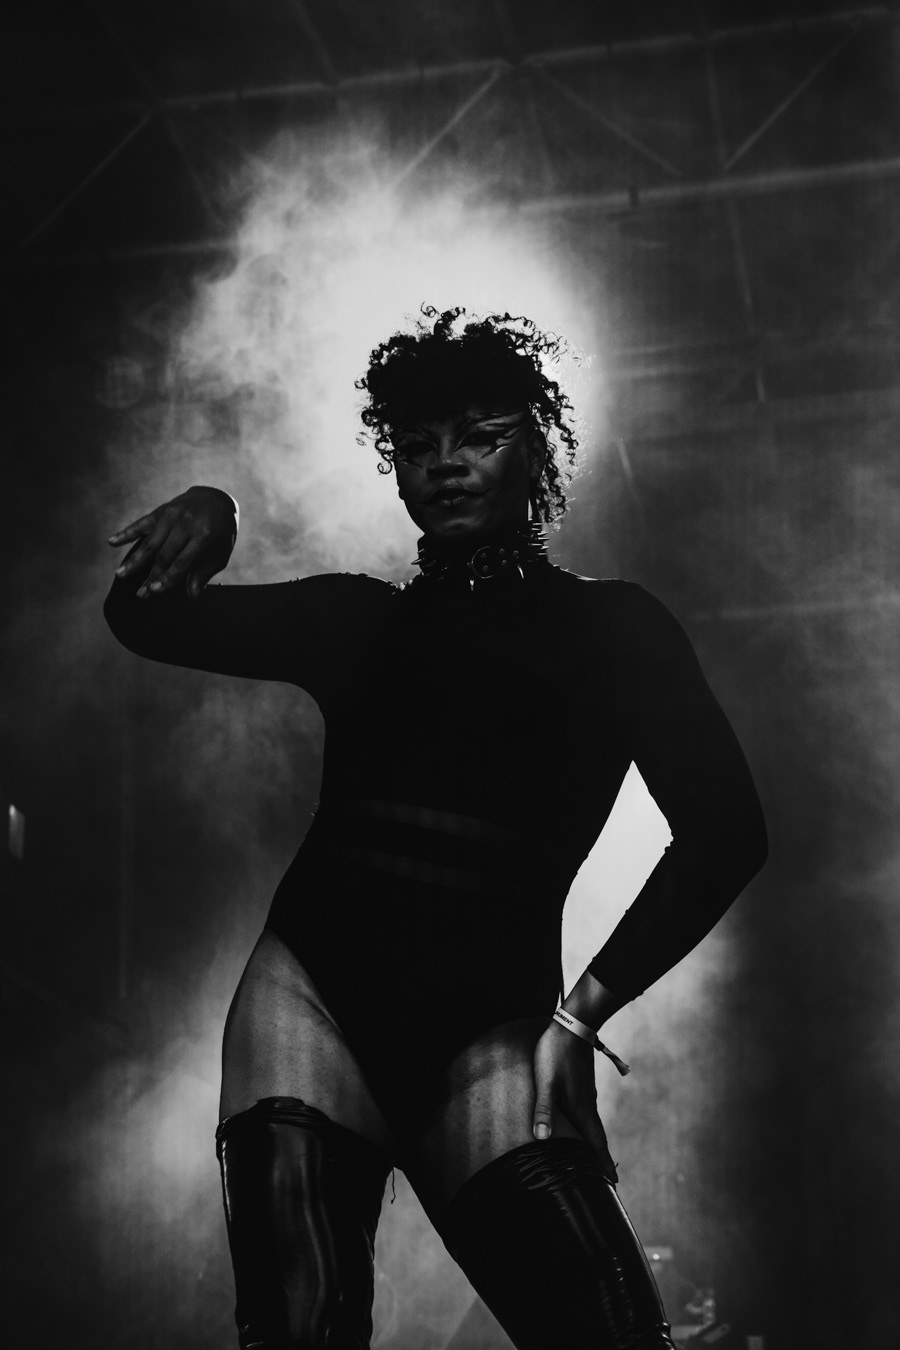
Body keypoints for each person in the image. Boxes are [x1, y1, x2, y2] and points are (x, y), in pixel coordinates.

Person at [104, 306, 767, 1350]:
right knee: (300, 1327)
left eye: (479, 437)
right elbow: (140, 616)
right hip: (310, 1003)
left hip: (492, 1034)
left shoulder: (616, 629)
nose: (446, 464)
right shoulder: (354, 619)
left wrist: (580, 1022)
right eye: (418, 446)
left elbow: (727, 832)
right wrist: (214, 509)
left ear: (534, 446)